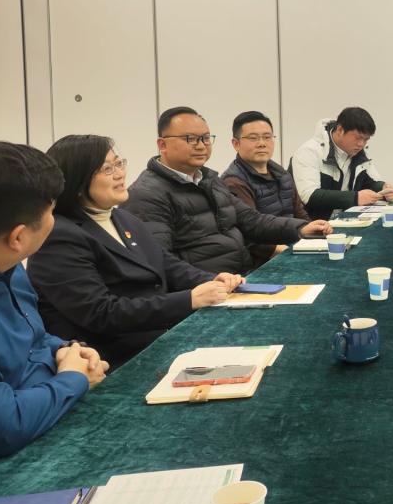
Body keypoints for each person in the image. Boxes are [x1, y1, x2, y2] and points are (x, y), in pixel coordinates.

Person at [27, 135, 243, 368]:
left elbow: (166, 263)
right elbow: (101, 313)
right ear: (77, 181)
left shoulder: (123, 217)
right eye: (107, 169)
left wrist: (211, 279)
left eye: (119, 163)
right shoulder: (59, 236)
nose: (120, 174)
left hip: (156, 337)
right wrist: (188, 300)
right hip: (111, 359)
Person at [0, 141, 108, 458]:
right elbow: (5, 425)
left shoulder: (8, 264)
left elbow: (34, 338)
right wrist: (73, 378)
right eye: (51, 212)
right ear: (18, 237)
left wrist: (67, 350)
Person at [123, 107, 330, 274]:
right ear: (162, 144)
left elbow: (251, 220)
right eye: (190, 139)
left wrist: (301, 228)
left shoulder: (209, 180)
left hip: (242, 276)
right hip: (207, 289)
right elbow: (159, 259)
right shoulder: (147, 194)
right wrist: (210, 282)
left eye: (205, 138)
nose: (201, 146)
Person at [222, 111, 312, 268]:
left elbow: (299, 213)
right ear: (236, 144)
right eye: (253, 138)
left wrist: (313, 232)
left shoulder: (282, 174)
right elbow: (247, 234)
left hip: (294, 247)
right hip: (263, 262)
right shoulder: (233, 182)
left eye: (267, 137)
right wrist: (282, 251)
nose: (262, 143)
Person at [291, 107, 393, 219]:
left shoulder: (359, 153)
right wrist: (355, 198)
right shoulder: (309, 151)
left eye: (366, 139)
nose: (361, 144)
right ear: (340, 130)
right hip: (311, 222)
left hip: (345, 219)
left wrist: (384, 189)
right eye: (358, 138)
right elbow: (309, 196)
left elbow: (370, 181)